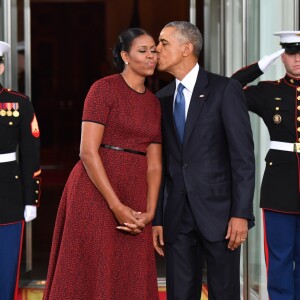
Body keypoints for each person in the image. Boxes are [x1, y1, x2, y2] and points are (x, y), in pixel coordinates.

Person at [43, 28, 162, 300]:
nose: (151, 56)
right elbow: (87, 151)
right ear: (125, 56)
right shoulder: (103, 89)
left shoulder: (155, 104)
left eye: (154, 50)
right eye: (143, 51)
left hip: (136, 192)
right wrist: (116, 205)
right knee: (92, 266)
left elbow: (155, 164)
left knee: (130, 268)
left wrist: (151, 210)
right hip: (95, 190)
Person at [152, 21, 256, 300]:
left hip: (222, 218)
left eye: (164, 43)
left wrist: (241, 214)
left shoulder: (225, 89)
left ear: (187, 49)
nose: (156, 49)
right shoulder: (161, 98)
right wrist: (158, 219)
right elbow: (162, 165)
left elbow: (243, 158)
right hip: (177, 217)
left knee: (224, 293)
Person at [231, 31, 300, 300]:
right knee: (281, 255)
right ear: (283, 56)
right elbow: (230, 88)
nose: (297, 60)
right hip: (279, 184)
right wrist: (260, 66)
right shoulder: (269, 91)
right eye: (291, 53)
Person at [0, 41, 41, 300]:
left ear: (1, 67)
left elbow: (30, 153)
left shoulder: (18, 104)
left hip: (8, 192)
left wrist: (30, 199)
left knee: (5, 267)